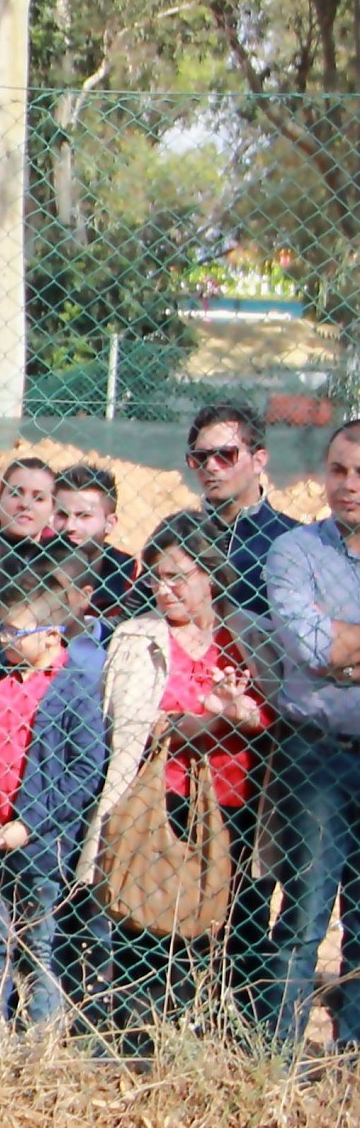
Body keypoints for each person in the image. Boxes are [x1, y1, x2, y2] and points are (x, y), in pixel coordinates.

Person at [75, 514, 277, 1035]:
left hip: (238, 802)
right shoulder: (138, 637)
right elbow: (140, 724)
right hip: (162, 801)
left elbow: (273, 716)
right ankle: (143, 1032)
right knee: (152, 921)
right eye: (156, 578)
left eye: (177, 577)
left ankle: (226, 1034)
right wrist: (214, 716)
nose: (164, 590)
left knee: (238, 924)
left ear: (211, 574)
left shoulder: (250, 633)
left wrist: (243, 713)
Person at [0, 567, 106, 1032]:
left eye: (14, 631)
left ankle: (39, 1034)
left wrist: (31, 821)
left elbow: (85, 771)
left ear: (50, 636)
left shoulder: (76, 687)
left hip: (42, 843)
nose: (3, 637)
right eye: (2, 627)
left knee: (38, 943)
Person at [263, 420, 360, 1045]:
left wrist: (341, 643)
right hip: (315, 755)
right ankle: (274, 1061)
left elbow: (332, 645)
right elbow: (310, 645)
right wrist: (331, 649)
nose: (348, 486)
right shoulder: (294, 552)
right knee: (303, 914)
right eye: (339, 471)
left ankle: (352, 1062)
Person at [184, 403, 298, 617]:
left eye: (225, 455)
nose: (211, 466)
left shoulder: (294, 540)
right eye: (200, 457)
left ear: (258, 461)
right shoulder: (179, 535)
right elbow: (136, 609)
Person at [51, 464, 142, 623]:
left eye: (84, 516)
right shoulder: (27, 565)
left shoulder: (128, 581)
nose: (69, 526)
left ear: (110, 523)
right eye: (62, 515)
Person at [0, 456, 59, 561]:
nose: (25, 504)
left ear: (53, 507)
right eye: (15, 493)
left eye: (38, 498)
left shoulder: (60, 556)